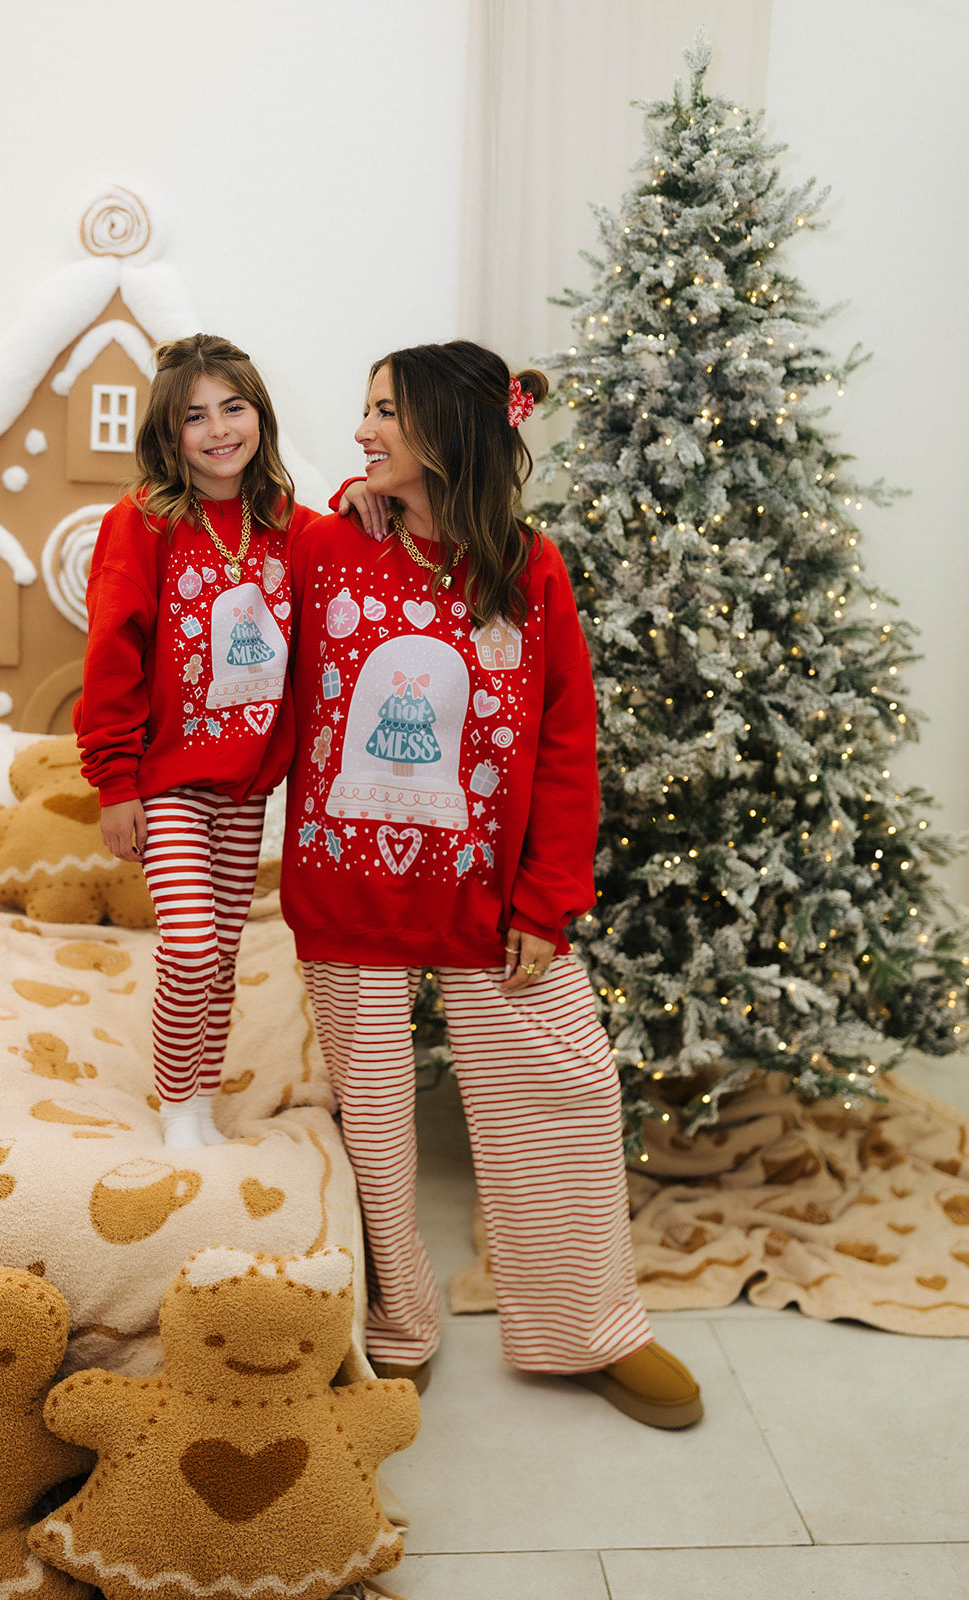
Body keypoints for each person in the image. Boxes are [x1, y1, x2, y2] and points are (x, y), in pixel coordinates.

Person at [278, 340, 702, 1428]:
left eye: (383, 411)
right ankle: (399, 1324)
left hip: (487, 898)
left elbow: (566, 742)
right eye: (362, 408)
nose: (363, 429)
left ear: (447, 430)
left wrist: (546, 897)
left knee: (564, 1092)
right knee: (370, 1122)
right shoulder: (329, 545)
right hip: (346, 891)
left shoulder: (530, 567)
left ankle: (586, 1325)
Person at [75, 332, 380, 1150]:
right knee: (190, 945)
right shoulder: (141, 523)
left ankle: (199, 1102)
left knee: (216, 964)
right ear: (167, 435)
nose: (217, 430)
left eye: (232, 408)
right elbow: (109, 659)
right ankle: (177, 1107)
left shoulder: (285, 523)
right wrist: (115, 785)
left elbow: (352, 547)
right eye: (193, 417)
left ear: (258, 415)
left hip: (246, 783)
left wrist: (356, 488)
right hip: (166, 778)